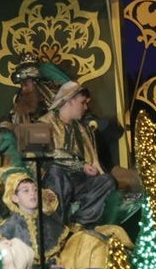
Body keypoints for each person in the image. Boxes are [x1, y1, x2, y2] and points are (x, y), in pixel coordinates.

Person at [42, 80, 115, 227]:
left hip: (78, 181)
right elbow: (48, 154)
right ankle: (57, 227)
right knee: (56, 172)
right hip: (55, 181)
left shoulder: (81, 129)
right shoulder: (44, 123)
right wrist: (80, 165)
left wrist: (90, 169)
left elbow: (91, 158)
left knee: (107, 181)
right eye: (82, 103)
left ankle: (79, 223)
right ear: (69, 101)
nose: (86, 107)